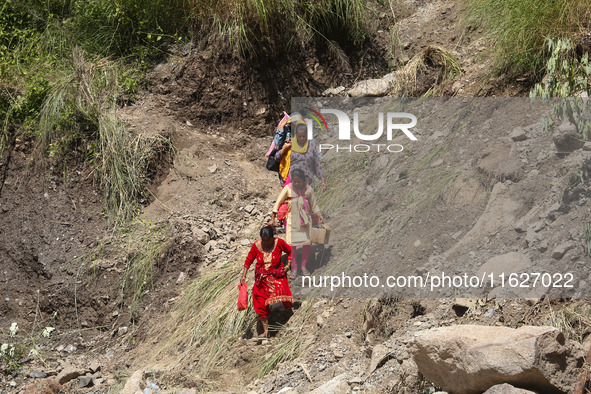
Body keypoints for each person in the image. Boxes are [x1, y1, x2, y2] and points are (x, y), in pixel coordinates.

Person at [269, 169, 324, 278]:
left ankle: (303, 266)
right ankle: (294, 268)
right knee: (292, 246)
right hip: (291, 221)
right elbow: (278, 203)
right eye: (295, 181)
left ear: (304, 180)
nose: (297, 183)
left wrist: (320, 215)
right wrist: (273, 218)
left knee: (307, 244)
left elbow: (314, 205)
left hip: (306, 221)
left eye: (299, 181)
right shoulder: (288, 189)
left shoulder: (308, 190)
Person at [240, 226, 293, 338]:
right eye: (264, 240)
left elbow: (291, 251)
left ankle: (288, 311)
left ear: (273, 238)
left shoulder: (279, 243)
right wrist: (244, 274)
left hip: (276, 275)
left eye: (268, 240)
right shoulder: (256, 245)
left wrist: (287, 266)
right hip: (261, 279)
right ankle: (265, 331)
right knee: (259, 301)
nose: (266, 243)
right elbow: (249, 260)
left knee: (283, 291)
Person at [275, 116, 327, 191]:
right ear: (295, 134)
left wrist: (322, 180)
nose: (302, 139)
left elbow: (317, 163)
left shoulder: (311, 145)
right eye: (300, 136)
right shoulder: (290, 144)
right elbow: (277, 157)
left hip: (308, 183)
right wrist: (284, 149)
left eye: (304, 136)